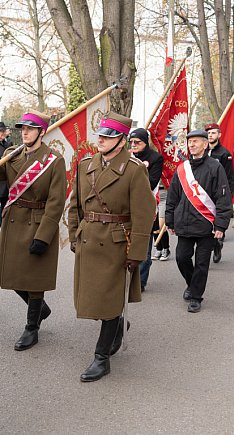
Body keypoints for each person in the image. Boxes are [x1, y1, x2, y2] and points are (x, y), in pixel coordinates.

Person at [68, 111, 156, 382]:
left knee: (108, 299)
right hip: (89, 239)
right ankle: (118, 323)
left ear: (121, 140)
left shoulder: (133, 169)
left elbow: (144, 214)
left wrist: (137, 253)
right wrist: (74, 235)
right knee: (93, 299)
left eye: (109, 136)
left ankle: (101, 357)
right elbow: (75, 204)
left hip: (117, 243)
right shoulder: (86, 165)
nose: (102, 140)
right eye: (101, 135)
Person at [0, 109, 67, 351]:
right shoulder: (11, 155)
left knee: (35, 279)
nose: (24, 132)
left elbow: (56, 202)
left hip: (37, 222)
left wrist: (44, 235)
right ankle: (41, 309)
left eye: (30, 128)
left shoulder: (54, 160)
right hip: (14, 221)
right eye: (22, 128)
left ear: (42, 132)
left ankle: (32, 327)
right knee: (11, 273)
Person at [165, 129, 232, 313]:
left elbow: (223, 197)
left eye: (196, 141)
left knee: (202, 264)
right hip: (185, 223)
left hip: (206, 225)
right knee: (181, 257)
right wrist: (170, 220)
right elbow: (172, 196)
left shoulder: (215, 167)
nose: (192, 145)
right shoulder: (182, 168)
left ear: (205, 144)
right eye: (190, 142)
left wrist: (221, 225)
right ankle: (191, 283)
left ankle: (196, 296)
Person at [129, 127, 163, 291]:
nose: (134, 145)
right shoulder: (126, 156)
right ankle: (127, 277)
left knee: (144, 245)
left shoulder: (155, 158)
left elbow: (152, 182)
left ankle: (141, 281)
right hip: (127, 207)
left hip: (146, 206)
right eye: (132, 142)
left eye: (138, 142)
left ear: (146, 142)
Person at [204, 122, 234, 263]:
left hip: (218, 194)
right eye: (208, 133)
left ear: (219, 135)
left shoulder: (224, 154)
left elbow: (229, 178)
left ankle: (217, 245)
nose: (210, 135)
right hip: (203, 194)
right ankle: (208, 248)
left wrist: (228, 197)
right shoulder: (202, 152)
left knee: (217, 224)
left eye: (213, 133)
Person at [0, 122, 10, 223]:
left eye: (3, 131)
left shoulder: (7, 144)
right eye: (1, 132)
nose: (3, 134)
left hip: (4, 184)